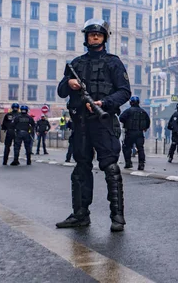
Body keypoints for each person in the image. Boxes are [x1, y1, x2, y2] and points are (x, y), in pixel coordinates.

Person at [56, 19, 131, 232]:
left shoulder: (113, 62)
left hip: (103, 121)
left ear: (104, 38)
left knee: (110, 167)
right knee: (81, 169)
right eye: (91, 34)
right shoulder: (76, 64)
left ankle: (117, 216)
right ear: (86, 38)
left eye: (98, 34)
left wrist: (104, 103)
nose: (95, 37)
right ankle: (80, 215)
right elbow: (61, 91)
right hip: (80, 124)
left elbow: (125, 91)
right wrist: (68, 83)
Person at [119, 96, 151, 170]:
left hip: (130, 132)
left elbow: (121, 118)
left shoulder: (128, 111)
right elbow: (148, 121)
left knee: (126, 147)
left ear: (131, 102)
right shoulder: (143, 111)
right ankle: (141, 164)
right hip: (140, 133)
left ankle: (128, 163)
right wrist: (145, 128)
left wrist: (127, 123)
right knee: (140, 148)